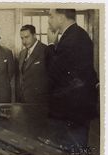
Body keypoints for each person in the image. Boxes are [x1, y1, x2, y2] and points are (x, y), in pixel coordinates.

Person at [44, 9, 98, 147]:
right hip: (77, 108)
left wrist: (50, 44)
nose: (48, 20)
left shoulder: (71, 39)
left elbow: (55, 72)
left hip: (73, 111)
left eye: (51, 16)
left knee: (74, 151)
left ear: (61, 17)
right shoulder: (77, 34)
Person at [16, 25, 49, 103]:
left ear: (34, 35)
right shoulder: (22, 53)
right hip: (24, 101)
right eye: (22, 38)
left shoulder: (46, 50)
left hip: (40, 101)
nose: (24, 41)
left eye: (27, 37)